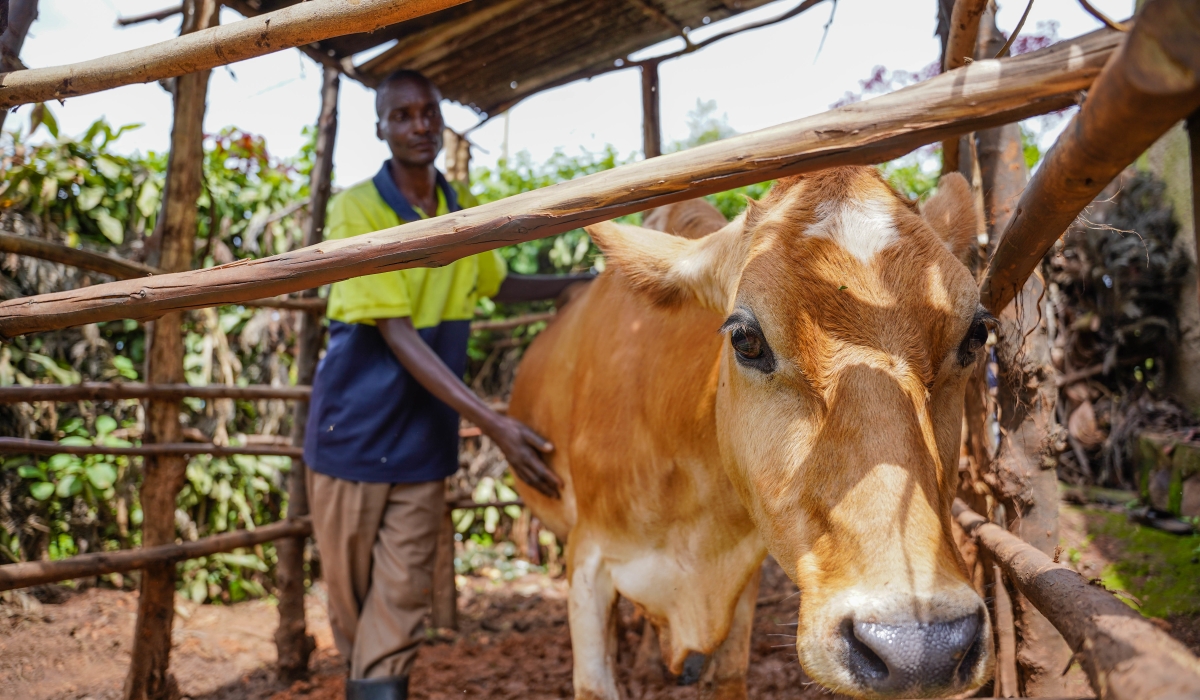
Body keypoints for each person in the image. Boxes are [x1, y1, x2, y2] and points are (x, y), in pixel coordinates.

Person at [303, 69, 587, 700]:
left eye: (427, 112)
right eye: (401, 115)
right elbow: (397, 334)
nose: (418, 125)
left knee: (401, 603)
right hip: (351, 438)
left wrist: (584, 284)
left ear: (441, 120)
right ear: (380, 127)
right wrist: (496, 425)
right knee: (353, 616)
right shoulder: (359, 210)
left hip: (421, 447)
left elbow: (499, 281)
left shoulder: (459, 213)